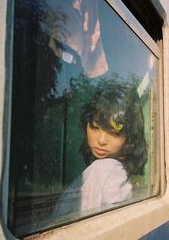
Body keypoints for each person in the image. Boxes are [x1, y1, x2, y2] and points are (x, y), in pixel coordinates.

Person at [54, 81, 147, 216]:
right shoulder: (115, 170)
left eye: (113, 132)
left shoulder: (104, 169)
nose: (101, 140)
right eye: (95, 127)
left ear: (130, 137)